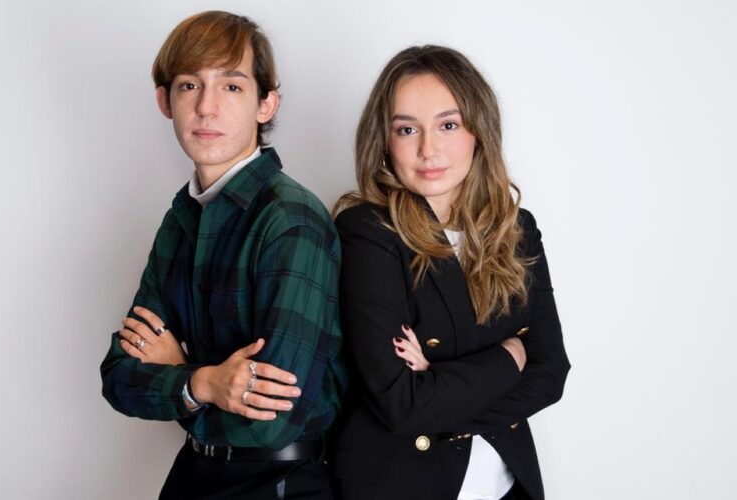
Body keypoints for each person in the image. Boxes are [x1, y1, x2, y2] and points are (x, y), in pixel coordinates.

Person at [100, 11, 347, 499]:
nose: (206, 108)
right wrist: (206, 383)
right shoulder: (180, 220)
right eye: (190, 86)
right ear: (165, 101)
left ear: (266, 103)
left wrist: (180, 378)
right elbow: (119, 377)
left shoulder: (291, 219)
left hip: (278, 484)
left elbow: (272, 420)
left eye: (231, 86)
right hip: (193, 476)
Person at [331, 45, 570, 500]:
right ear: (383, 139)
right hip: (400, 486)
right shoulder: (367, 231)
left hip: (506, 485)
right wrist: (510, 355)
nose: (428, 149)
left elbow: (551, 373)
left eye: (448, 125)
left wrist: (438, 382)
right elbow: (403, 405)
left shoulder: (516, 229)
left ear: (478, 130)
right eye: (407, 129)